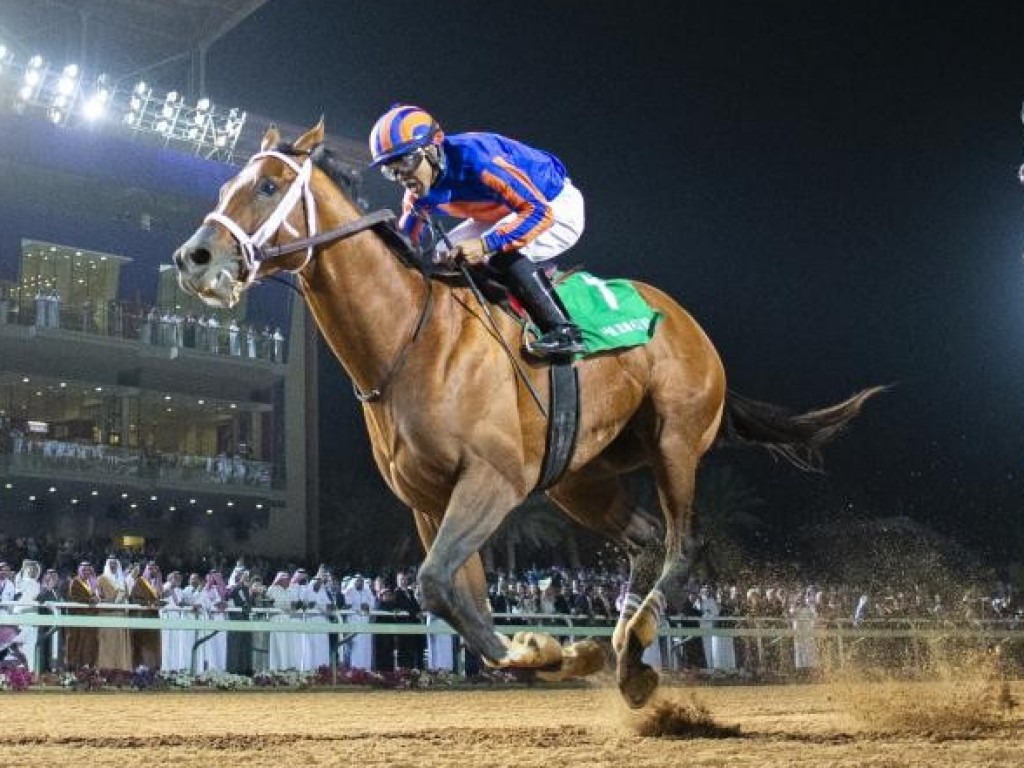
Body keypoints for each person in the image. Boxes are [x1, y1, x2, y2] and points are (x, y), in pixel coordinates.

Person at [369, 104, 586, 358]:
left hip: (553, 204)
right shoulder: (417, 195)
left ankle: (563, 330)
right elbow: (408, 247)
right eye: (390, 170)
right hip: (504, 209)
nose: (402, 176)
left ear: (432, 148)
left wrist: (486, 244)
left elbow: (539, 213)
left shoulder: (480, 161)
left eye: (406, 162)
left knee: (494, 254)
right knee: (442, 254)